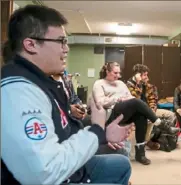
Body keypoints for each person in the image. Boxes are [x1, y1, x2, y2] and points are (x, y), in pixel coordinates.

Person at [1, 5, 132, 184]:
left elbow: (64, 135)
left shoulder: (42, 82)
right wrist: (96, 130)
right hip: (56, 177)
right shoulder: (18, 91)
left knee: (121, 164)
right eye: (61, 41)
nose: (66, 49)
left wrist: (102, 134)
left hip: (67, 168)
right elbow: (45, 173)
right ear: (31, 44)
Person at [91, 62, 166, 165]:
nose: (118, 76)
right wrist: (117, 99)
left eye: (119, 73)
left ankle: (140, 154)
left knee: (141, 115)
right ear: (107, 71)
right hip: (110, 114)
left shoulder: (121, 84)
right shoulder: (99, 83)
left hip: (124, 113)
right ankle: (159, 123)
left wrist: (128, 99)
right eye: (115, 73)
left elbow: (130, 97)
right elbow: (100, 102)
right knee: (135, 102)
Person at [126, 64, 180, 150]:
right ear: (137, 75)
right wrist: (138, 84)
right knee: (148, 119)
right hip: (138, 113)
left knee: (171, 115)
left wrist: (152, 108)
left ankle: (164, 140)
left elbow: (152, 99)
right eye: (144, 75)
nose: (146, 77)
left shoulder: (146, 85)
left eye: (147, 75)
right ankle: (147, 141)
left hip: (150, 111)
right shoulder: (129, 85)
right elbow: (136, 102)